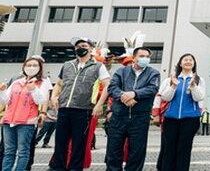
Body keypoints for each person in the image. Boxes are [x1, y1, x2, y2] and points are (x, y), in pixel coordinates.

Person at [49, 37, 110, 171]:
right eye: (77, 46)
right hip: (64, 109)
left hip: (83, 110)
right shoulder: (67, 65)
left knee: (79, 143)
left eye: (83, 45)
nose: (80, 48)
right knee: (60, 142)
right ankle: (57, 167)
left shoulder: (98, 66)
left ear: (91, 49)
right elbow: (58, 84)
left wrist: (99, 105)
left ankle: (75, 168)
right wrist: (53, 96)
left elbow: (107, 86)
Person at [106, 47, 160, 171]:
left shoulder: (153, 73)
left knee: (137, 152)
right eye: (142, 56)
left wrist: (134, 94)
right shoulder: (121, 71)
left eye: (147, 56)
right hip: (119, 117)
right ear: (134, 58)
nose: (145, 59)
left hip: (140, 118)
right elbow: (113, 87)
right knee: (113, 151)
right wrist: (124, 96)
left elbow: (152, 89)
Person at [0, 57, 51, 171]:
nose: (31, 68)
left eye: (34, 65)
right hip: (9, 121)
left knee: (23, 152)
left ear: (39, 68)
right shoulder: (16, 82)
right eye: (29, 65)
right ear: (24, 67)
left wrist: (33, 89)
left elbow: (41, 101)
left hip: (26, 123)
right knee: (9, 151)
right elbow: (6, 101)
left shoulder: (42, 83)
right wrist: (2, 91)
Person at [159, 53, 206, 171]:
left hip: (190, 119)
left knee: (184, 149)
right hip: (171, 119)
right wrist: (173, 86)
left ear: (194, 64)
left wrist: (194, 86)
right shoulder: (171, 79)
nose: (188, 61)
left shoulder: (198, 80)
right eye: (186, 60)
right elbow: (165, 97)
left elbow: (199, 98)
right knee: (168, 149)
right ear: (180, 63)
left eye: (191, 60)